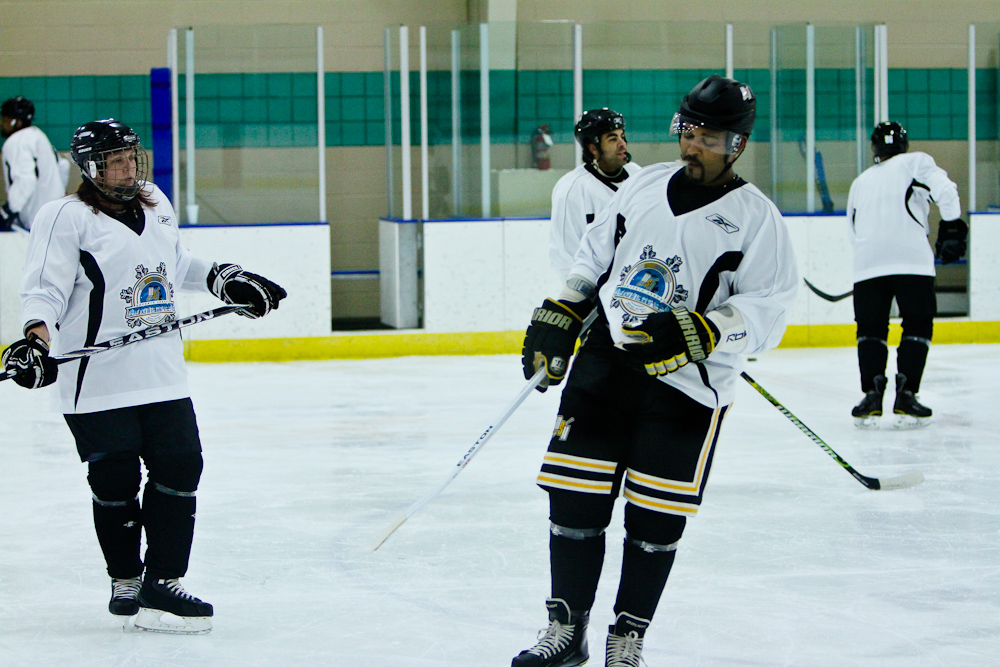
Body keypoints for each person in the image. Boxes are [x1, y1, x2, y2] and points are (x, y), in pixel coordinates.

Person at [514, 75, 798, 667]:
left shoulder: (757, 219)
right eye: (687, 131)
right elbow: (594, 255)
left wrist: (705, 330)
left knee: (654, 520)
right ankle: (566, 629)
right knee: (573, 499)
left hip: (687, 389)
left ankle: (627, 637)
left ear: (738, 144)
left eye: (707, 138)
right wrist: (566, 306)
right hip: (605, 365)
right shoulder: (643, 185)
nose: (692, 146)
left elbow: (768, 311)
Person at [1, 118, 286, 634]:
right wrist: (36, 342)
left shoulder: (156, 202)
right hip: (96, 382)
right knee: (115, 480)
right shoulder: (64, 217)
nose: (128, 168)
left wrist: (225, 279)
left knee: (182, 467)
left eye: (131, 158)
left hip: (161, 375)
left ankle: (163, 582)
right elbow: (44, 289)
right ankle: (125, 577)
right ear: (90, 168)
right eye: (115, 162)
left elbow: (175, 263)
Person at [846, 121, 965, 429]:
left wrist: (869, 262)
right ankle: (906, 394)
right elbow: (946, 190)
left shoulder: (860, 181)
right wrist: (952, 227)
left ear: (874, 147)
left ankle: (872, 396)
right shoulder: (916, 162)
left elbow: (852, 228)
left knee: (870, 329)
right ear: (904, 144)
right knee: (917, 324)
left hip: (868, 265)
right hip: (913, 262)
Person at [549, 108, 642, 282]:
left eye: (622, 136)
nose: (622, 143)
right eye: (612, 139)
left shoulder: (637, 175)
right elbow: (566, 255)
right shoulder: (572, 189)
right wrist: (582, 292)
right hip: (595, 289)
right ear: (593, 148)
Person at [1, 96, 70, 231]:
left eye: (5, 119)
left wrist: (10, 210)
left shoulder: (16, 141)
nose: (1, 123)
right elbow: (64, 166)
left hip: (35, 220)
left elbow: (26, 180)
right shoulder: (39, 136)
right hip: (57, 215)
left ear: (17, 122)